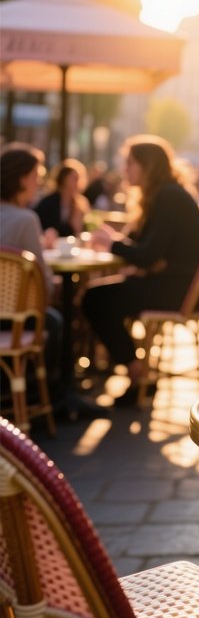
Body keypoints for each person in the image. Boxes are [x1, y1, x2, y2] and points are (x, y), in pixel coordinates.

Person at [82, 135, 199, 406]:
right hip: (181, 287)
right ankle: (135, 369)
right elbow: (146, 248)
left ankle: (137, 372)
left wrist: (112, 244)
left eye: (130, 163)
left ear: (147, 166)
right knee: (102, 295)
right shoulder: (166, 194)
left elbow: (147, 254)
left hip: (176, 291)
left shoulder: (167, 197)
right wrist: (119, 242)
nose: (125, 170)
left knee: (94, 299)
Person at [0, 144, 70, 415]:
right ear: (21, 179)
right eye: (35, 177)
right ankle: (35, 396)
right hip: (13, 322)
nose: (39, 184)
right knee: (53, 319)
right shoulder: (26, 219)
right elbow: (44, 283)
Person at [34, 158, 90, 238]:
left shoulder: (80, 204)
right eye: (74, 178)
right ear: (64, 179)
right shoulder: (48, 203)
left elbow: (81, 232)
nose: (78, 182)